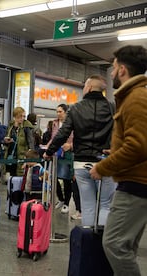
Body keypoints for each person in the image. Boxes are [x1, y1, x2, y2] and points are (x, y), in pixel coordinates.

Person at [89, 45, 147, 276]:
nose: (111, 74)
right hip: (138, 182)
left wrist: (103, 167)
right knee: (126, 246)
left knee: (113, 244)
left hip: (135, 184)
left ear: (122, 69)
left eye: (112, 69)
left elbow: (138, 145)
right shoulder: (135, 96)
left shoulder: (135, 97)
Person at [43, 75, 116, 227]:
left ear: (89, 87)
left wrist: (49, 152)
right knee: (105, 204)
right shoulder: (112, 108)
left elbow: (62, 134)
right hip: (106, 161)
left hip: (82, 163)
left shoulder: (75, 108)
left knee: (88, 205)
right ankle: (101, 243)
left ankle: (89, 240)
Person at [46, 104, 74, 215]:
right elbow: (54, 138)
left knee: (67, 179)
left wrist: (71, 145)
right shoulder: (55, 123)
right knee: (54, 177)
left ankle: (67, 202)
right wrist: (48, 147)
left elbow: (77, 138)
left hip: (67, 154)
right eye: (57, 111)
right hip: (56, 152)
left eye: (60, 111)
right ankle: (61, 199)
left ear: (66, 112)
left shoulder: (72, 123)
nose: (58, 114)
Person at [4, 106, 35, 176]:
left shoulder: (27, 127)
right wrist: (6, 141)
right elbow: (5, 139)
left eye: (24, 116)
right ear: (15, 116)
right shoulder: (10, 126)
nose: (22, 118)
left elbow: (31, 143)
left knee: (20, 178)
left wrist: (29, 159)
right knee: (10, 177)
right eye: (20, 116)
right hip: (10, 155)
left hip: (22, 156)